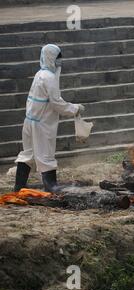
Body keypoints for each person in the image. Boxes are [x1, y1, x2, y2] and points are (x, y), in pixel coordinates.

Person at [14, 44, 85, 192]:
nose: (60, 61)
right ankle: (51, 185)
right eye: (58, 58)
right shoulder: (49, 77)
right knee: (45, 153)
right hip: (42, 123)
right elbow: (57, 103)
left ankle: (19, 186)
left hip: (30, 120)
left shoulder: (39, 73)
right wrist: (75, 108)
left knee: (28, 153)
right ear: (51, 58)